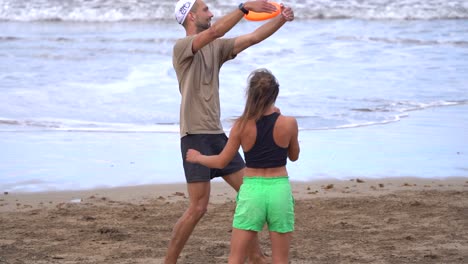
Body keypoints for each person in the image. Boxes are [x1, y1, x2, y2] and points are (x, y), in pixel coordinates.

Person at [166, 0, 294, 263]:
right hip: (194, 134)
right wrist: (244, 7)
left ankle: (256, 257)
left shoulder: (217, 48)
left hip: (216, 133)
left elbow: (253, 37)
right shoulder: (182, 48)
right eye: (205, 10)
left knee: (249, 191)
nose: (211, 13)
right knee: (198, 207)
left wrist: (281, 19)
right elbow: (214, 32)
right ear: (190, 16)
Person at [186, 68, 300, 263]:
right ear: (275, 94)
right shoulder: (289, 123)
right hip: (279, 189)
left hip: (252, 191)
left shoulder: (241, 125)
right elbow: (294, 156)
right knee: (281, 259)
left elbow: (222, 161)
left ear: (250, 94)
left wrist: (198, 158)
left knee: (236, 258)